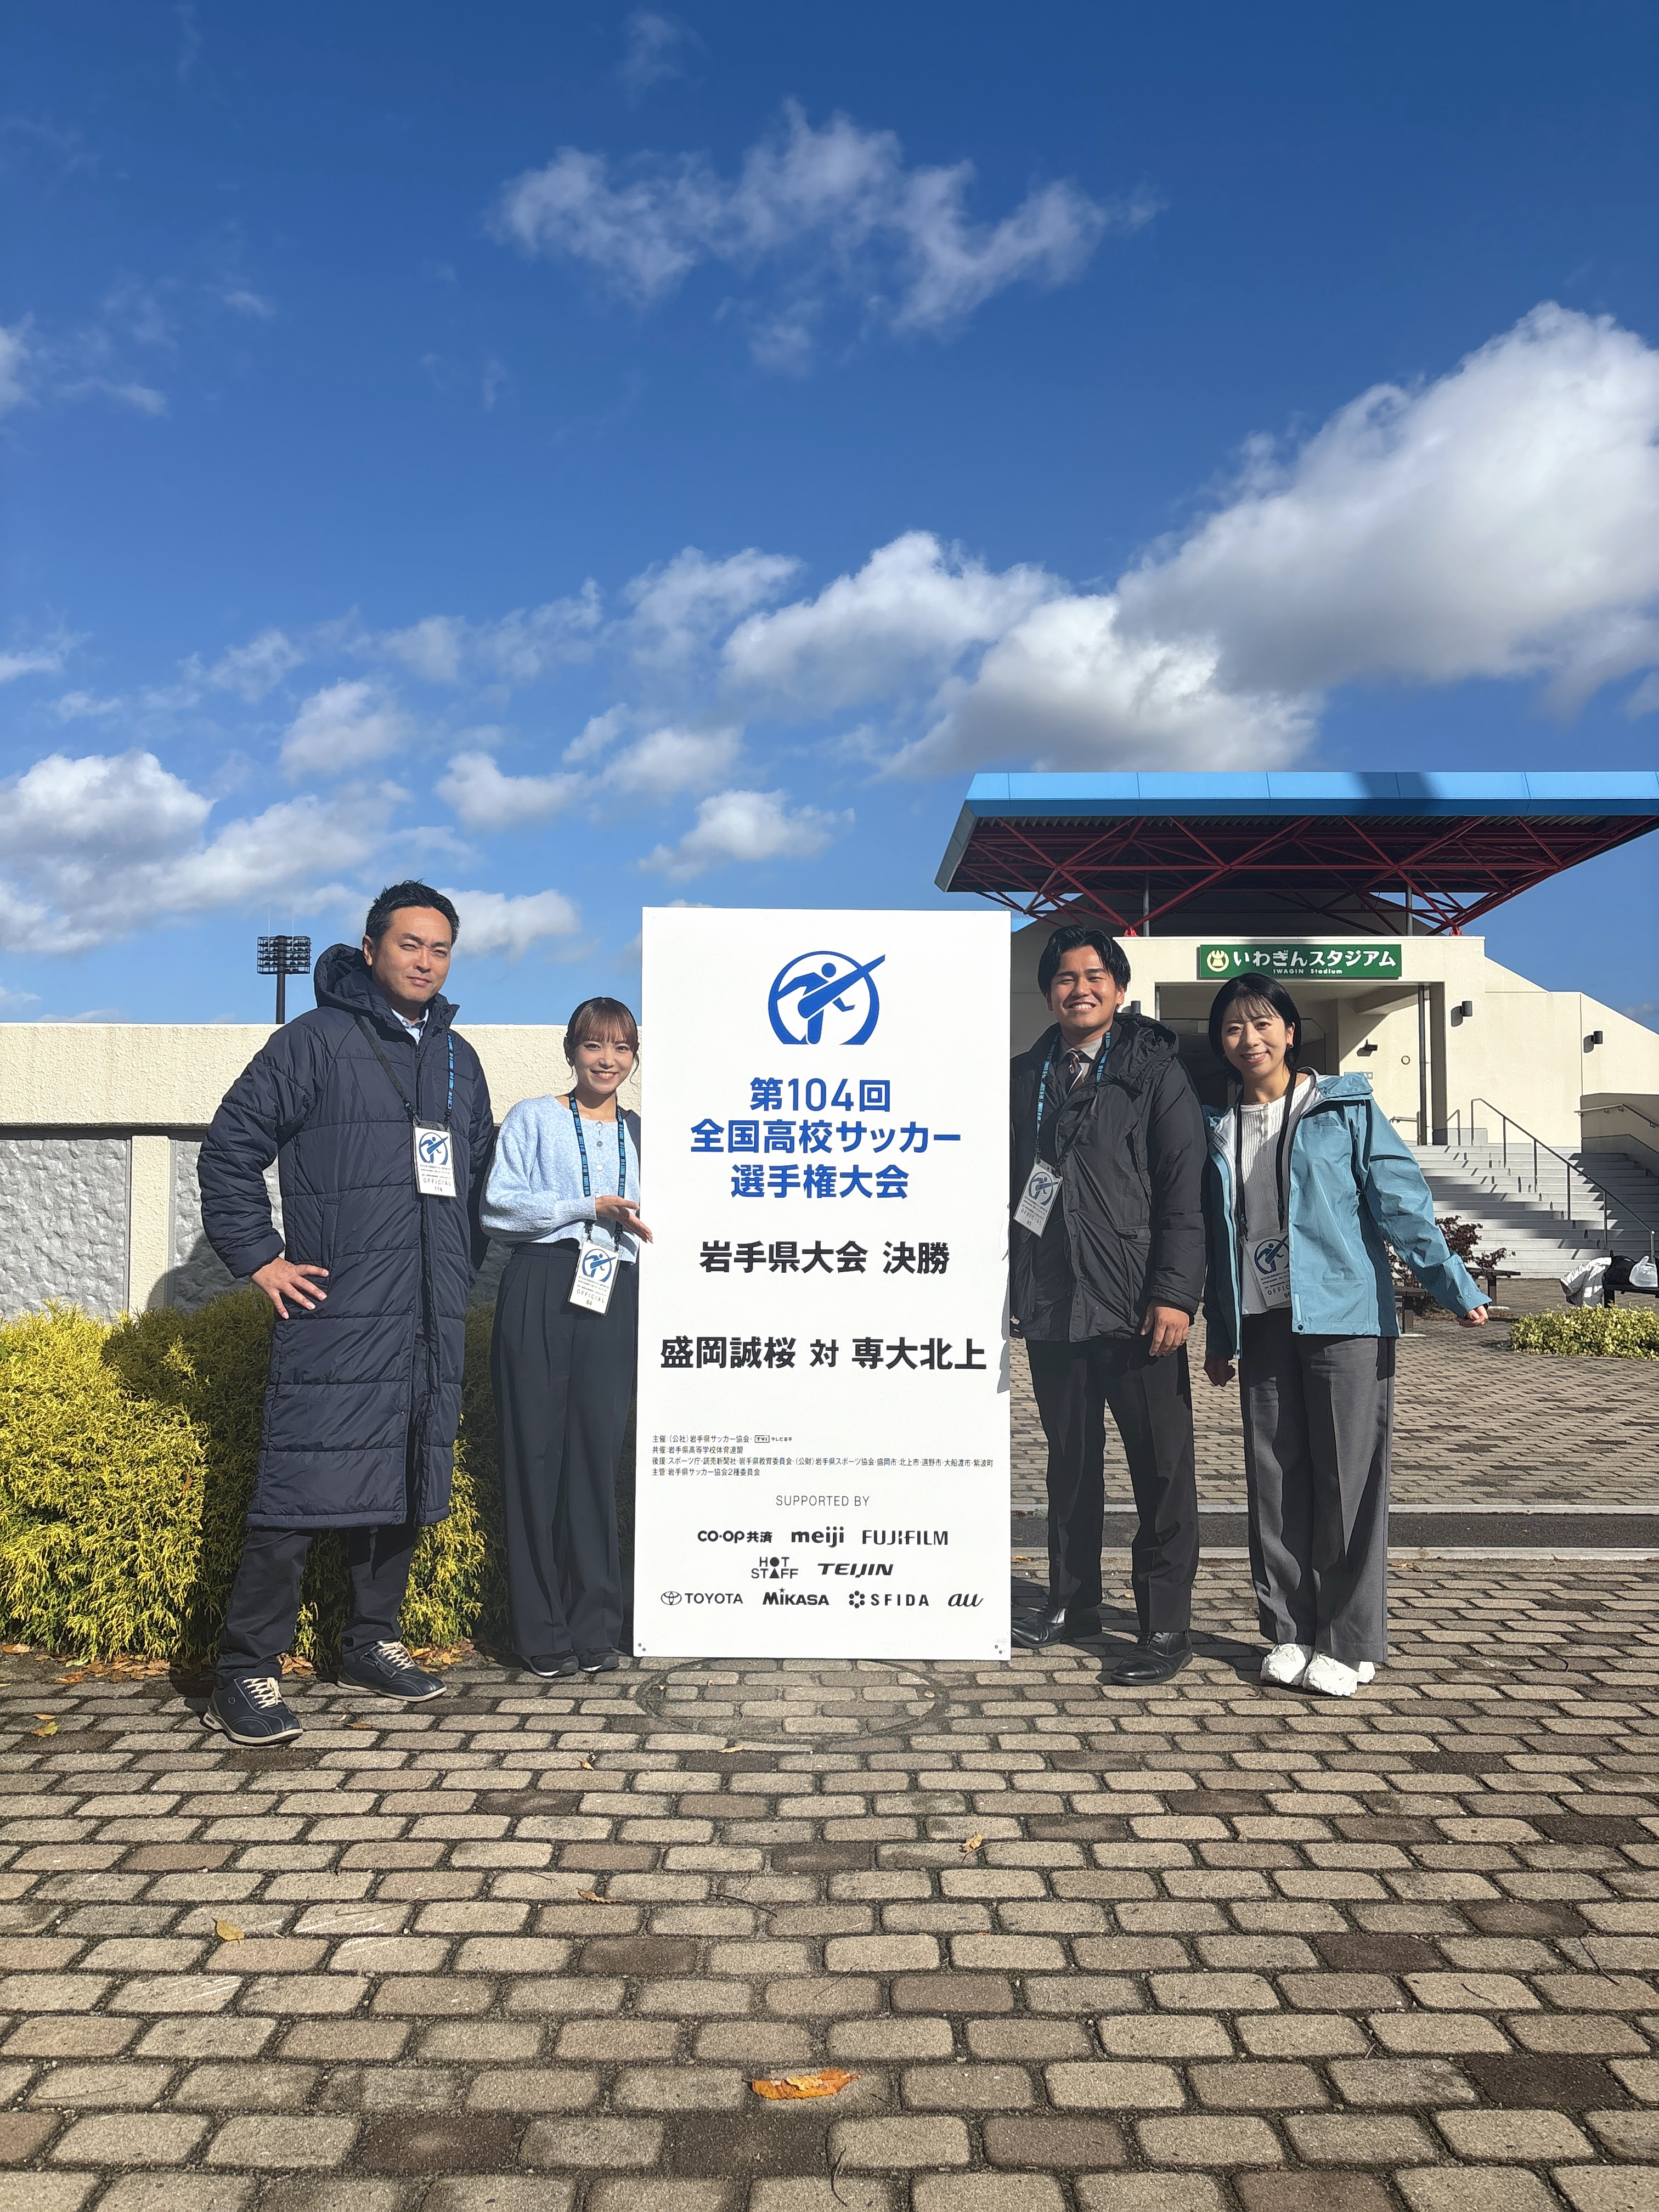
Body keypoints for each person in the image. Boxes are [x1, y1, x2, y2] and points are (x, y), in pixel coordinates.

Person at [197, 884, 496, 1743]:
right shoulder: (316, 1041)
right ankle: (244, 1671)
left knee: (401, 1477)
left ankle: (371, 1641)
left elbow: (470, 1177)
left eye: (440, 949)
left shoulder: (456, 1058)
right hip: (339, 1310)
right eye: (409, 944)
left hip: (426, 1313)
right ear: (370, 949)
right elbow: (231, 1149)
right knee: (298, 1490)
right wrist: (260, 1259)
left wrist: (456, 1271)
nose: (425, 961)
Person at [1200, 978, 1487, 1697]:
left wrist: (1451, 1284)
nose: (1250, 1039)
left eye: (1264, 1024)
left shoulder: (1345, 1107)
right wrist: (1217, 1327)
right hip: (1263, 1318)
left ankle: (1350, 1640)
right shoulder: (1217, 1125)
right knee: (1275, 1480)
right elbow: (1213, 1233)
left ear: (1292, 1032)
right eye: (1234, 1028)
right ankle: (1290, 1632)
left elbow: (1399, 1199)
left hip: (1344, 1314)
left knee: (1348, 1482)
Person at [1009, 924, 1207, 1683]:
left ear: (1119, 990)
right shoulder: (1029, 1074)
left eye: (1095, 975)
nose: (1079, 988)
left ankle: (1163, 1627)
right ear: (1048, 992)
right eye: (1064, 977)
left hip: (1136, 1308)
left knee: (1160, 1470)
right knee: (1070, 1463)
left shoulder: (1155, 1071)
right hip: (1055, 1305)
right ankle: (1074, 1600)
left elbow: (1183, 1189)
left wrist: (1174, 1294)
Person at [482, 997, 648, 1678]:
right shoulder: (534, 1117)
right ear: (571, 1050)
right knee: (535, 1457)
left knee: (595, 1456)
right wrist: (588, 1207)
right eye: (594, 1046)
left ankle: (596, 1626)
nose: (607, 1060)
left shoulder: (643, 1131)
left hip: (617, 1289)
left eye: (622, 1048)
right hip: (543, 1282)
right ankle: (541, 1632)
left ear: (635, 1058)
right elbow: (497, 1205)